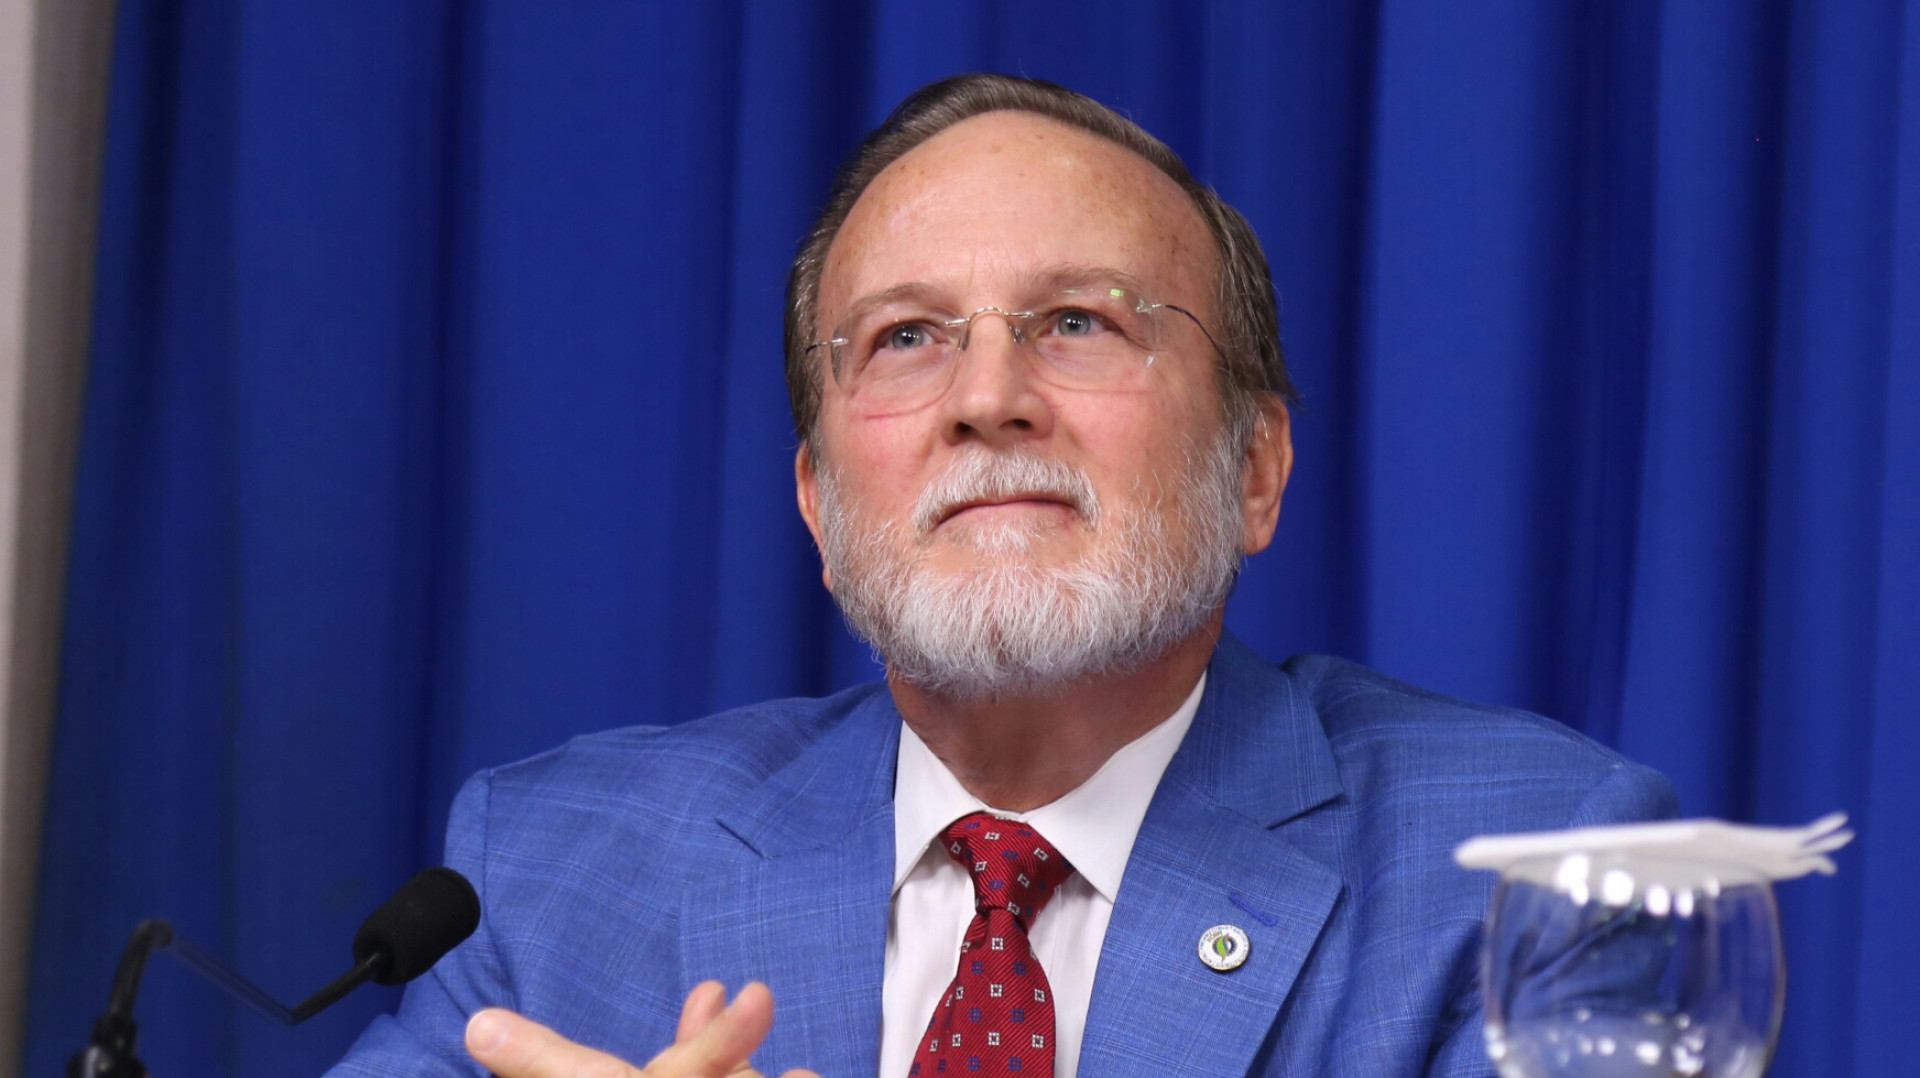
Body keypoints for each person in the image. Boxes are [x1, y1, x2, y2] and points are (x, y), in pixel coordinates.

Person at [327, 74, 1674, 1078]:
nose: (986, 397)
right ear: (818, 504)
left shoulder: (1537, 877)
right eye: (906, 337)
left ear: (1256, 468)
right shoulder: (550, 873)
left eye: (1078, 321)